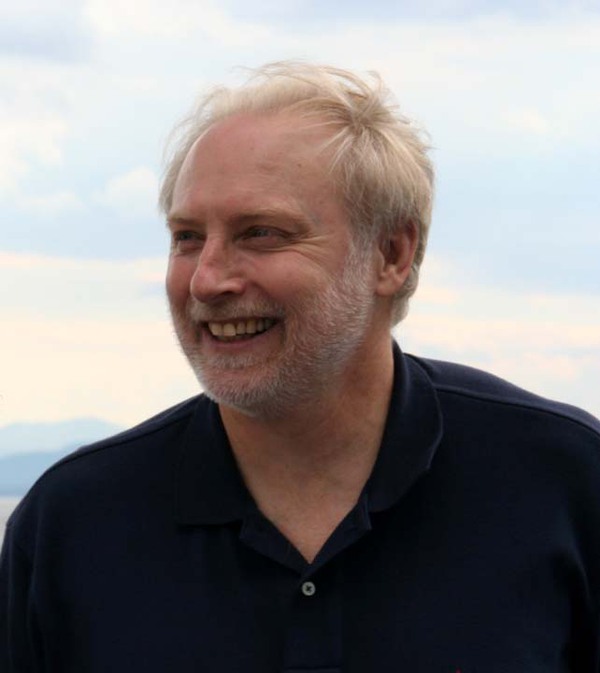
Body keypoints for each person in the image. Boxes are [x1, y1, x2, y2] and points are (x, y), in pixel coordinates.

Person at [1, 61, 600, 672]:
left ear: (391, 254)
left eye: (260, 233)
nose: (206, 280)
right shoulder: (72, 527)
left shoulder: (568, 482)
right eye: (187, 237)